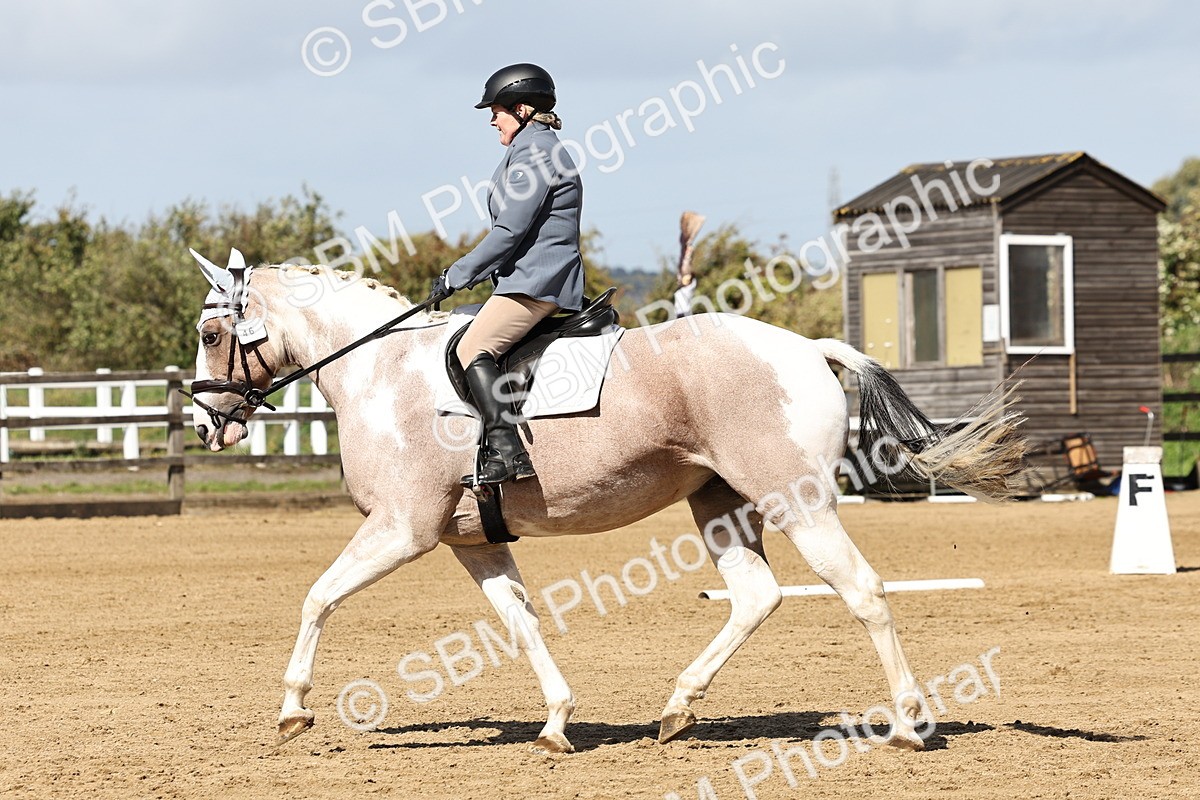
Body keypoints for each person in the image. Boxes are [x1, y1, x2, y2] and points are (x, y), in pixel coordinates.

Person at [427, 63, 585, 487]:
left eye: (496, 110)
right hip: (530, 279)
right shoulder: (533, 149)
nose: (491, 119)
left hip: (536, 282)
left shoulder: (535, 153)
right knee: (461, 322)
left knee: (471, 348)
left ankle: (507, 451)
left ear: (522, 109)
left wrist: (456, 274)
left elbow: (509, 232)